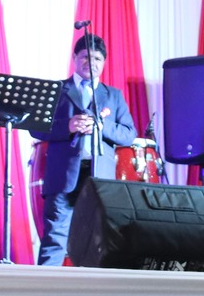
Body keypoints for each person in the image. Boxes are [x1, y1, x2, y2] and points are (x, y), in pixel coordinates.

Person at [35, 33, 137, 267]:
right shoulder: (58, 89)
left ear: (104, 63)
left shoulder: (113, 96)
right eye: (85, 57)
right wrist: (67, 126)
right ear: (74, 58)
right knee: (55, 238)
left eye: (97, 58)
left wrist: (102, 126)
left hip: (100, 177)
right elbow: (37, 130)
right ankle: (43, 294)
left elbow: (128, 134)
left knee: (100, 241)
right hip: (63, 176)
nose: (91, 62)